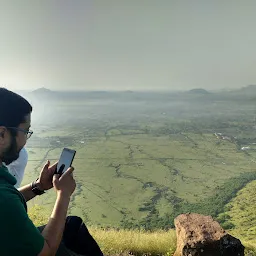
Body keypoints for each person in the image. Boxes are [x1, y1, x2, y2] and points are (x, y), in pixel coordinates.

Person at [0, 88, 103, 256]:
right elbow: (46, 252)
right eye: (25, 131)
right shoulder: (4, 200)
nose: (26, 139)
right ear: (2, 134)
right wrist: (64, 195)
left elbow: (9, 200)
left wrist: (38, 186)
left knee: (72, 225)